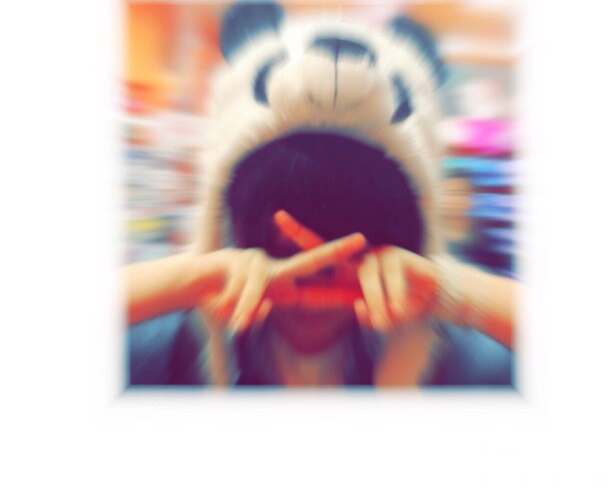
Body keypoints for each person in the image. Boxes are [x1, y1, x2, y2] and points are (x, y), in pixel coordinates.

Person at [125, 132, 516, 387]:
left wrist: (451, 291)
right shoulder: (173, 348)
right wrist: (194, 276)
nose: (312, 296)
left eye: (344, 257)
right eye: (286, 255)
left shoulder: (450, 360)